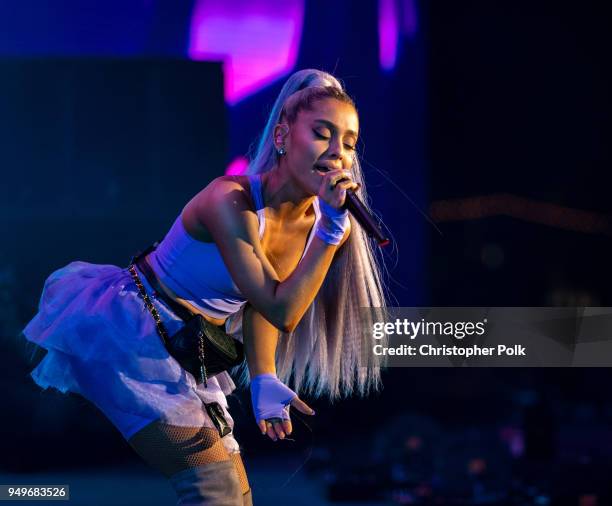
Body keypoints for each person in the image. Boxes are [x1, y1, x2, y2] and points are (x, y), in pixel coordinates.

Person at [21, 68, 387, 505]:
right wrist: (330, 233)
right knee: (214, 489)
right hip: (136, 337)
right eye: (322, 134)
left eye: (348, 142)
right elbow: (281, 310)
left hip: (188, 351)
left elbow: (261, 304)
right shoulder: (229, 200)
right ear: (283, 137)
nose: (338, 154)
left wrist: (265, 378)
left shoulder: (316, 223)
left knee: (237, 495)